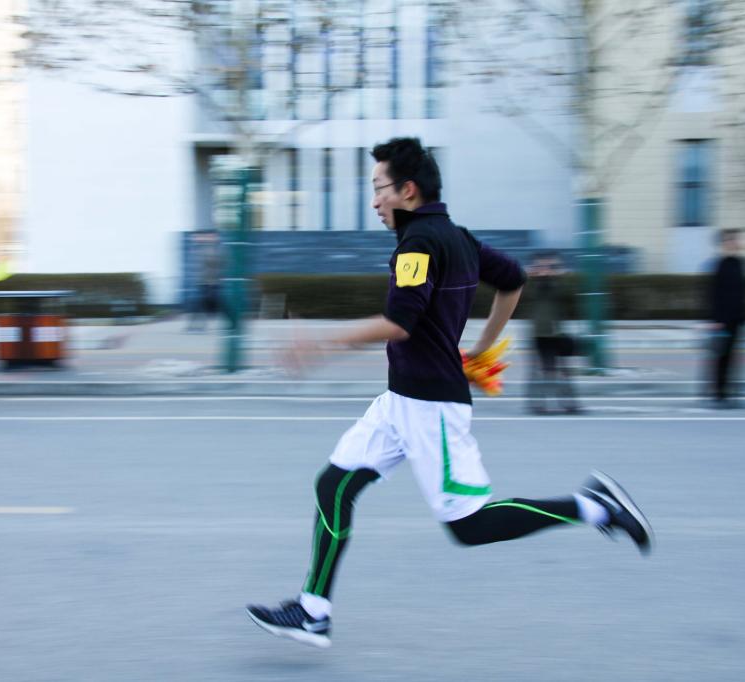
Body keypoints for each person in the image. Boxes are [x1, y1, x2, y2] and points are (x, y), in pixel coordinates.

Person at [246, 138, 652, 649]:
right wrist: (481, 348)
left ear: (408, 190)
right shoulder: (457, 238)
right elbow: (513, 280)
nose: (374, 201)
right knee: (334, 485)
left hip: (430, 407)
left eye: (379, 188)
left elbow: (400, 322)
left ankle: (593, 506)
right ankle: (313, 610)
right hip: (400, 401)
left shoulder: (418, 244)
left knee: (469, 526)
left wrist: (321, 344)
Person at [525, 251, 581, 415]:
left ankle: (569, 403)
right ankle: (537, 404)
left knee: (563, 371)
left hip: (558, 333)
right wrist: (538, 278)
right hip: (539, 333)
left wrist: (557, 278)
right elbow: (531, 295)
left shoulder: (560, 284)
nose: (546, 270)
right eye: (541, 267)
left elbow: (568, 296)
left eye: (551, 266)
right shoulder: (530, 284)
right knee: (541, 370)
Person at [707, 228, 745, 408]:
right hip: (723, 321)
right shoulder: (720, 264)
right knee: (722, 357)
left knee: (735, 358)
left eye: (734, 240)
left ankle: (732, 393)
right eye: (729, 241)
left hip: (738, 319)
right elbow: (714, 294)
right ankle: (719, 393)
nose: (733, 243)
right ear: (723, 244)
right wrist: (715, 320)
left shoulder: (742, 264)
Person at [184, 231, 224, 332]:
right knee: (199, 303)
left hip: (211, 282)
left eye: (211, 236)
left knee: (206, 303)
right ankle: (195, 326)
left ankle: (195, 326)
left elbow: (214, 263)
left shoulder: (214, 249)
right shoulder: (200, 248)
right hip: (203, 282)